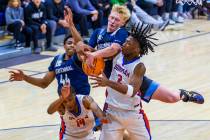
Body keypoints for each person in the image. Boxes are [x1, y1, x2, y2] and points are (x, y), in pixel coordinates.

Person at [90, 23, 154, 140]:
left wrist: (108, 82)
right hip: (112, 112)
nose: (123, 44)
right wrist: (86, 50)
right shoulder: (117, 54)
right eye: (125, 41)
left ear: (137, 49)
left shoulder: (139, 66)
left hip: (132, 114)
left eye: (128, 43)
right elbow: (97, 52)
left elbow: (131, 91)